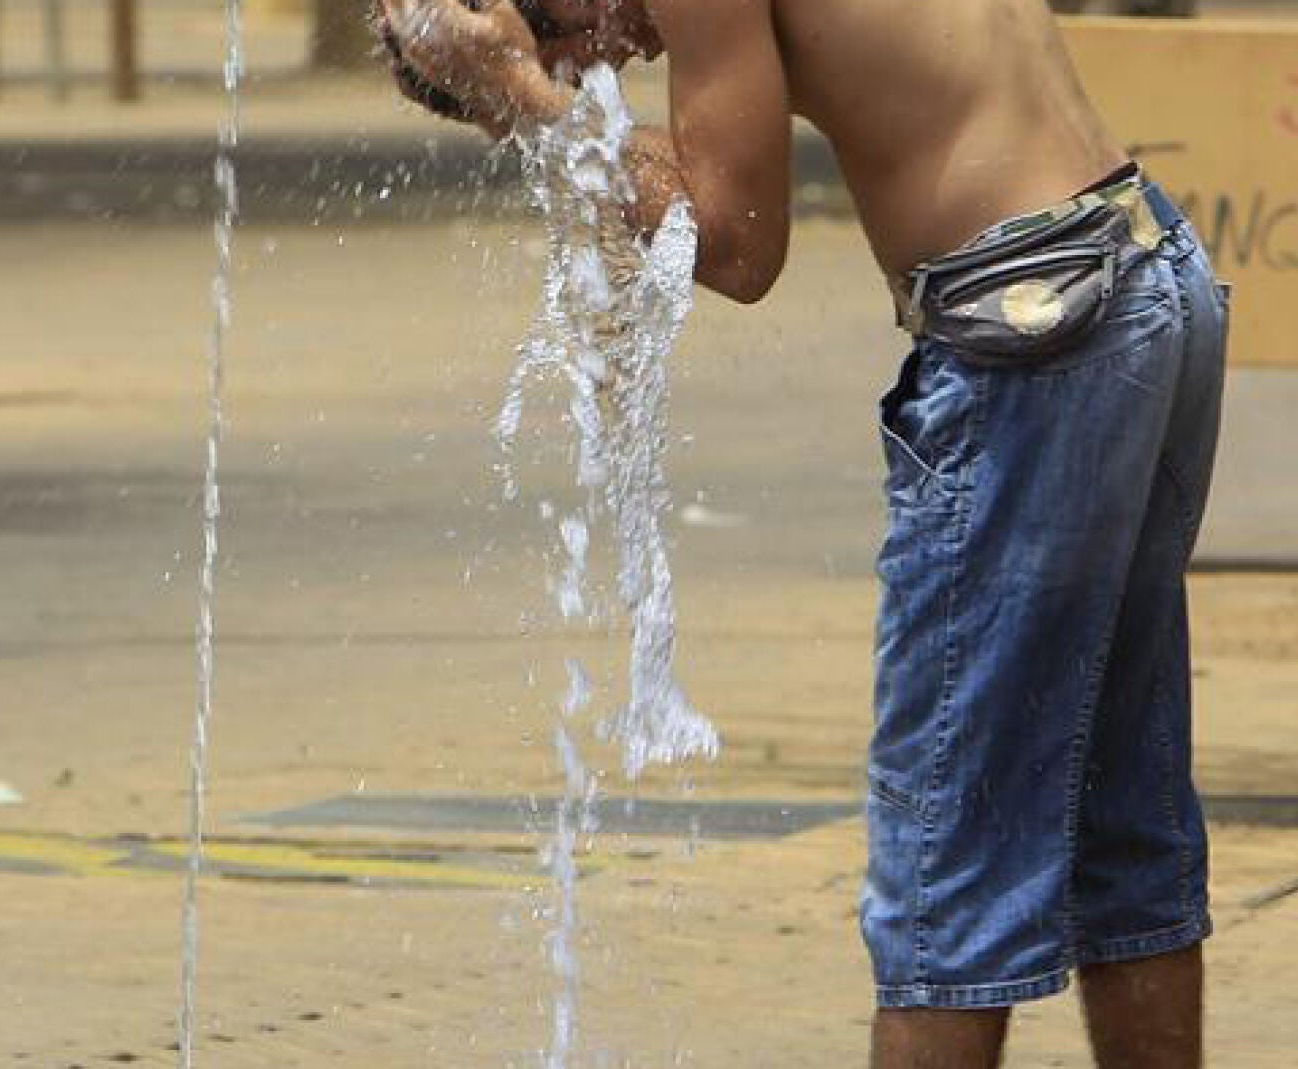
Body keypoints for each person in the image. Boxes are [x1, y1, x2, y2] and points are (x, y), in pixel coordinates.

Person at [378, 2, 1227, 1066]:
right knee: (1120, 832)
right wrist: (528, 98)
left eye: (562, 40)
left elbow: (734, 244)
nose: (609, 61)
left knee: (943, 871)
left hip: (1038, 331)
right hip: (1140, 268)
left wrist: (532, 101)